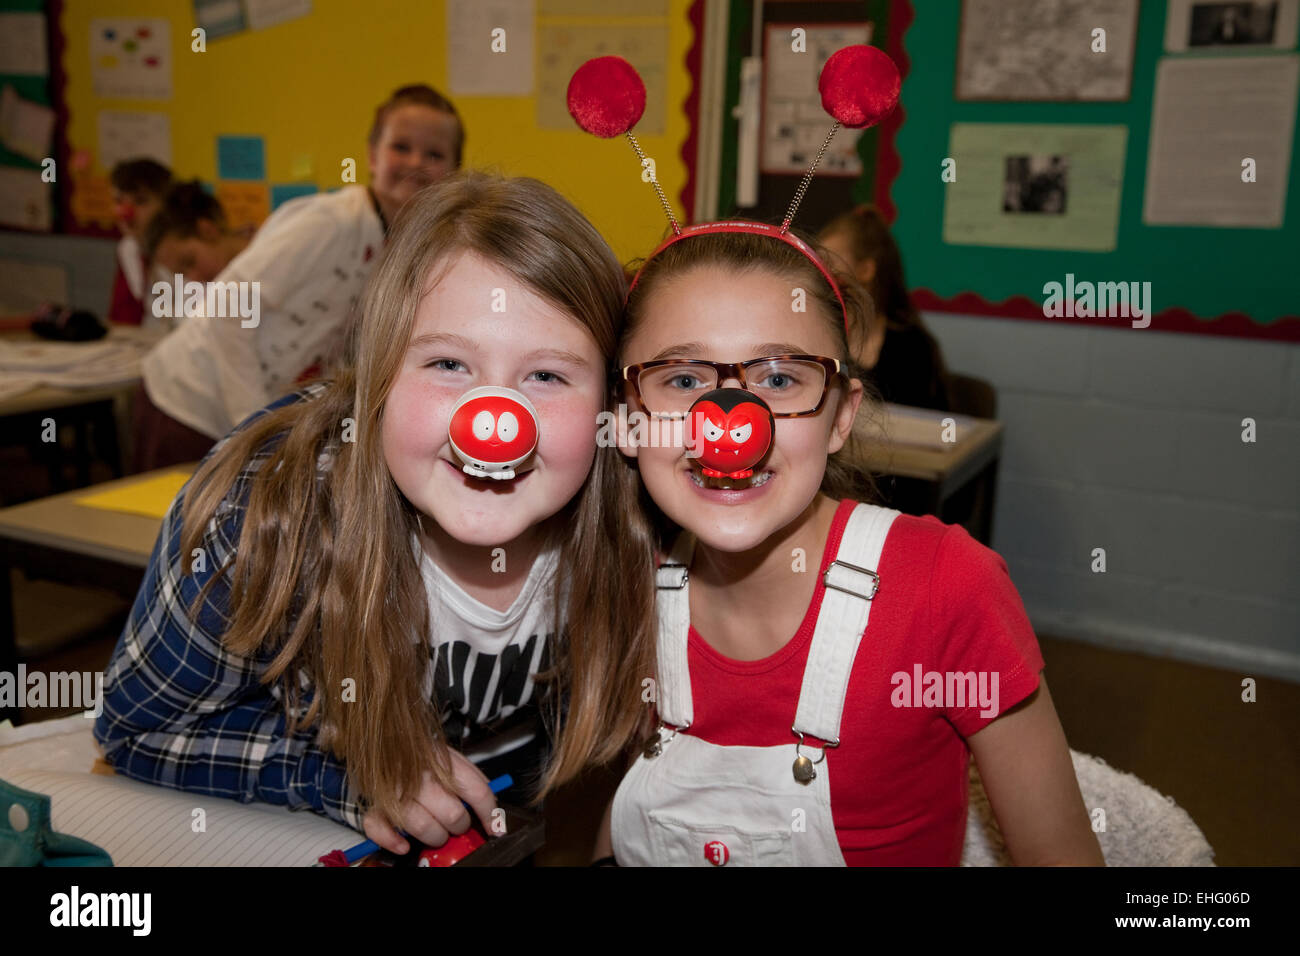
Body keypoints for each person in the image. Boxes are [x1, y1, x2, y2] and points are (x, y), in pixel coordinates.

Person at [95, 171, 656, 853]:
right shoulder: (267, 514)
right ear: (377, 375)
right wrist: (343, 775)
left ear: (610, 405)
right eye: (449, 363)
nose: (496, 423)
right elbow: (138, 728)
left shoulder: (641, 517)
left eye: (546, 376)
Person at [599, 225, 1102, 865]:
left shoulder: (946, 587)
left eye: (780, 380)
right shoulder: (624, 579)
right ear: (626, 416)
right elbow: (639, 809)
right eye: (683, 379)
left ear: (840, 416)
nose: (731, 425)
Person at [134, 84, 464, 470]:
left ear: (454, 172)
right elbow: (227, 310)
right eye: (401, 147)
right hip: (188, 404)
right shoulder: (329, 222)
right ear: (372, 155)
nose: (415, 163)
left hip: (255, 420)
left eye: (435, 153)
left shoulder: (405, 248)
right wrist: (255, 428)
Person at [818, 204, 951, 411]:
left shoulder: (911, 347)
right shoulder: (822, 331)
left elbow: (922, 426)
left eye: (829, 262)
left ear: (866, 270)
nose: (821, 272)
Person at [142, 180, 254, 284]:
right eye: (182, 274)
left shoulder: (266, 254)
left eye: (189, 262)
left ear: (208, 230)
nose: (193, 279)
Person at [107, 158, 172, 328]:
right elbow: (123, 315)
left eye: (141, 201)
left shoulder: (181, 250)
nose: (127, 212)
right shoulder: (128, 248)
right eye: (119, 201)